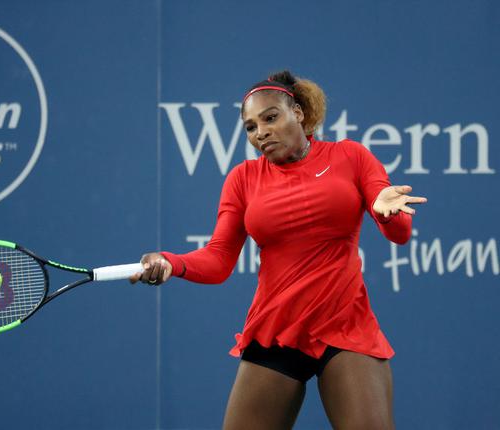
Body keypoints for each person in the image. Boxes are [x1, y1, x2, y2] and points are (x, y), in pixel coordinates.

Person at [130, 70, 426, 429]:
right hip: (275, 330)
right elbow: (219, 258)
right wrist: (170, 262)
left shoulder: (350, 156)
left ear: (298, 113)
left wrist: (387, 213)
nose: (261, 133)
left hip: (345, 325)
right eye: (251, 127)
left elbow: (400, 233)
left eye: (270, 117)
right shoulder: (243, 178)